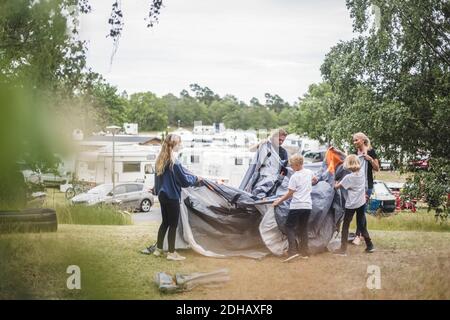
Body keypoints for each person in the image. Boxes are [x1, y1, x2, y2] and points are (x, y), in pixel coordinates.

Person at [145, 134, 201, 261]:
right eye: (179, 143)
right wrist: (196, 178)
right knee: (173, 225)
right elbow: (184, 181)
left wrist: (156, 191)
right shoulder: (174, 162)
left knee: (165, 223)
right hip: (172, 197)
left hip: (162, 196)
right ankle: (171, 253)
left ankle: (158, 250)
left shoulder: (160, 160)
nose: (180, 145)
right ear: (175, 144)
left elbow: (157, 181)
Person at [272, 154, 318, 262]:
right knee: (303, 228)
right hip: (307, 205)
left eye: (292, 165)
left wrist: (279, 200)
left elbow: (290, 194)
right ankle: (305, 253)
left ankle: (292, 252)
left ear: (297, 165)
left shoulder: (294, 176)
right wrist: (308, 184)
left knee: (289, 226)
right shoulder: (309, 172)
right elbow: (315, 179)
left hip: (297, 205)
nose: (291, 167)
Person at [334, 155, 375, 256]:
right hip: (361, 202)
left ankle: (343, 250)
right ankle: (370, 245)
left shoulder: (348, 177)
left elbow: (337, 187)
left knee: (346, 226)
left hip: (351, 204)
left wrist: (335, 181)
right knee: (361, 224)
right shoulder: (361, 173)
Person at [352, 132, 379, 245]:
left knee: (361, 211)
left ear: (363, 140)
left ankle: (358, 235)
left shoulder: (371, 151)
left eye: (356, 140)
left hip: (367, 186)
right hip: (357, 186)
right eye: (353, 140)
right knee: (360, 211)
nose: (354, 143)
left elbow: (377, 168)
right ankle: (363, 234)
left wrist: (370, 159)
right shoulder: (355, 154)